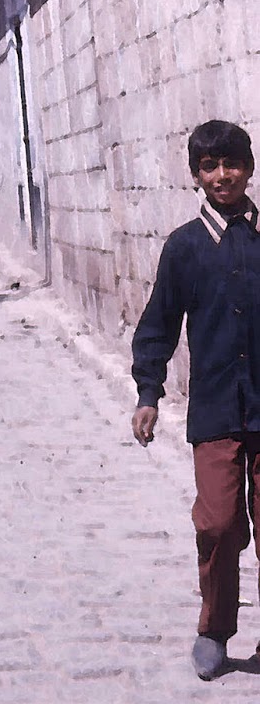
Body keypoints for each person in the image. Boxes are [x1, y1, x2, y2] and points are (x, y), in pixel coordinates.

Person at [131, 119, 259, 681]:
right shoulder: (184, 248)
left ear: (248, 168)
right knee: (219, 523)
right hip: (215, 412)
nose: (222, 175)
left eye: (232, 164)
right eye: (210, 166)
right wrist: (148, 392)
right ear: (196, 175)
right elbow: (158, 324)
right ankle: (214, 629)